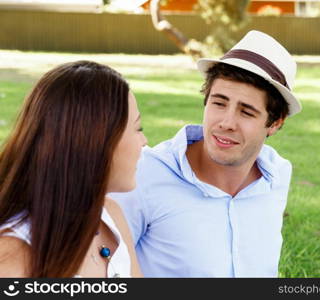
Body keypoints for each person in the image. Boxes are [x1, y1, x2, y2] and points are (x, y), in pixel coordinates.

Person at [112, 30, 302, 277]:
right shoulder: (145, 173)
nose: (226, 122)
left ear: (275, 123)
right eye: (219, 103)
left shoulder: (277, 175)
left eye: (246, 112)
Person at [0, 61, 147, 277]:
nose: (144, 141)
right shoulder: (12, 258)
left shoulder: (110, 216)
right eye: (137, 128)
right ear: (95, 144)